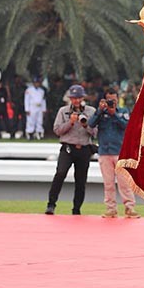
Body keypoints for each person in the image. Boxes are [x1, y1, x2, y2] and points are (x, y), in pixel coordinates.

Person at [44, 84, 96, 215]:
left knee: (81, 180)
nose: (76, 101)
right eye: (73, 98)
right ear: (70, 98)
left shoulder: (91, 111)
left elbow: (95, 132)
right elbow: (57, 130)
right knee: (60, 174)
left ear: (83, 97)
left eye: (78, 98)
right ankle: (51, 204)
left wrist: (86, 125)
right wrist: (70, 123)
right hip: (68, 148)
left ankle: (76, 209)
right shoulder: (63, 111)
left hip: (84, 149)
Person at [88, 87, 139, 218]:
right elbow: (91, 124)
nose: (111, 103)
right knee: (108, 183)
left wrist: (113, 114)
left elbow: (127, 126)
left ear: (117, 99)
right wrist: (100, 110)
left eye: (113, 100)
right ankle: (111, 208)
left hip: (120, 152)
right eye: (109, 100)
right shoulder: (100, 113)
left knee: (124, 183)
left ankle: (129, 207)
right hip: (105, 151)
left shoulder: (123, 112)